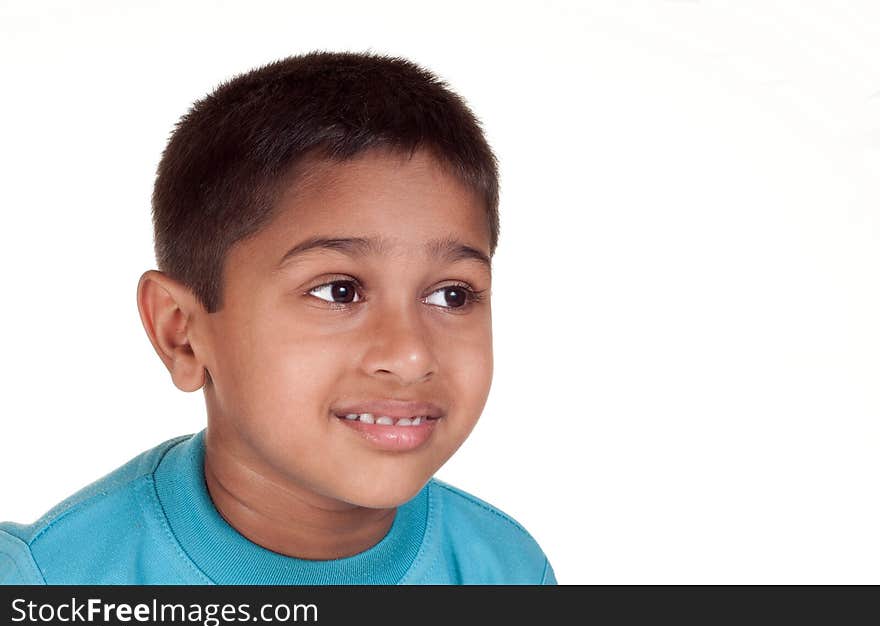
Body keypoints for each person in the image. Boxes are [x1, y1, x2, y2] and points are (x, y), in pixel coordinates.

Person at [0, 50, 556, 585]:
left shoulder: (506, 571)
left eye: (451, 296)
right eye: (339, 291)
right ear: (182, 333)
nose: (410, 354)